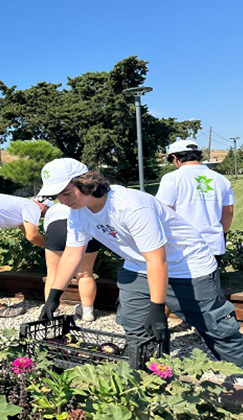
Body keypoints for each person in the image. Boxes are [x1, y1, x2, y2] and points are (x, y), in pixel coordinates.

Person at [38, 158, 243, 367]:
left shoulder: (130, 206)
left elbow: (157, 259)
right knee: (134, 324)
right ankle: (147, 371)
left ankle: (238, 371)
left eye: (66, 193)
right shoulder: (77, 212)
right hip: (138, 266)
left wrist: (157, 307)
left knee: (216, 329)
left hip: (187, 265)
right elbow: (72, 254)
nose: (63, 201)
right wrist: (54, 295)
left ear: (86, 182)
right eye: (57, 196)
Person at [156, 139, 234, 267]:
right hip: (213, 244)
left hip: (182, 247)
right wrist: (221, 234)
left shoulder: (172, 179)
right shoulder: (221, 179)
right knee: (210, 283)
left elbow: (162, 211)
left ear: (175, 158)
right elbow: (229, 214)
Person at [43, 202, 100, 321]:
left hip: (56, 228)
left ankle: (51, 310)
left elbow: (46, 228)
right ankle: (88, 312)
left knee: (53, 273)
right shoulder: (82, 204)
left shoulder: (53, 208)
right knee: (85, 274)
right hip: (86, 227)